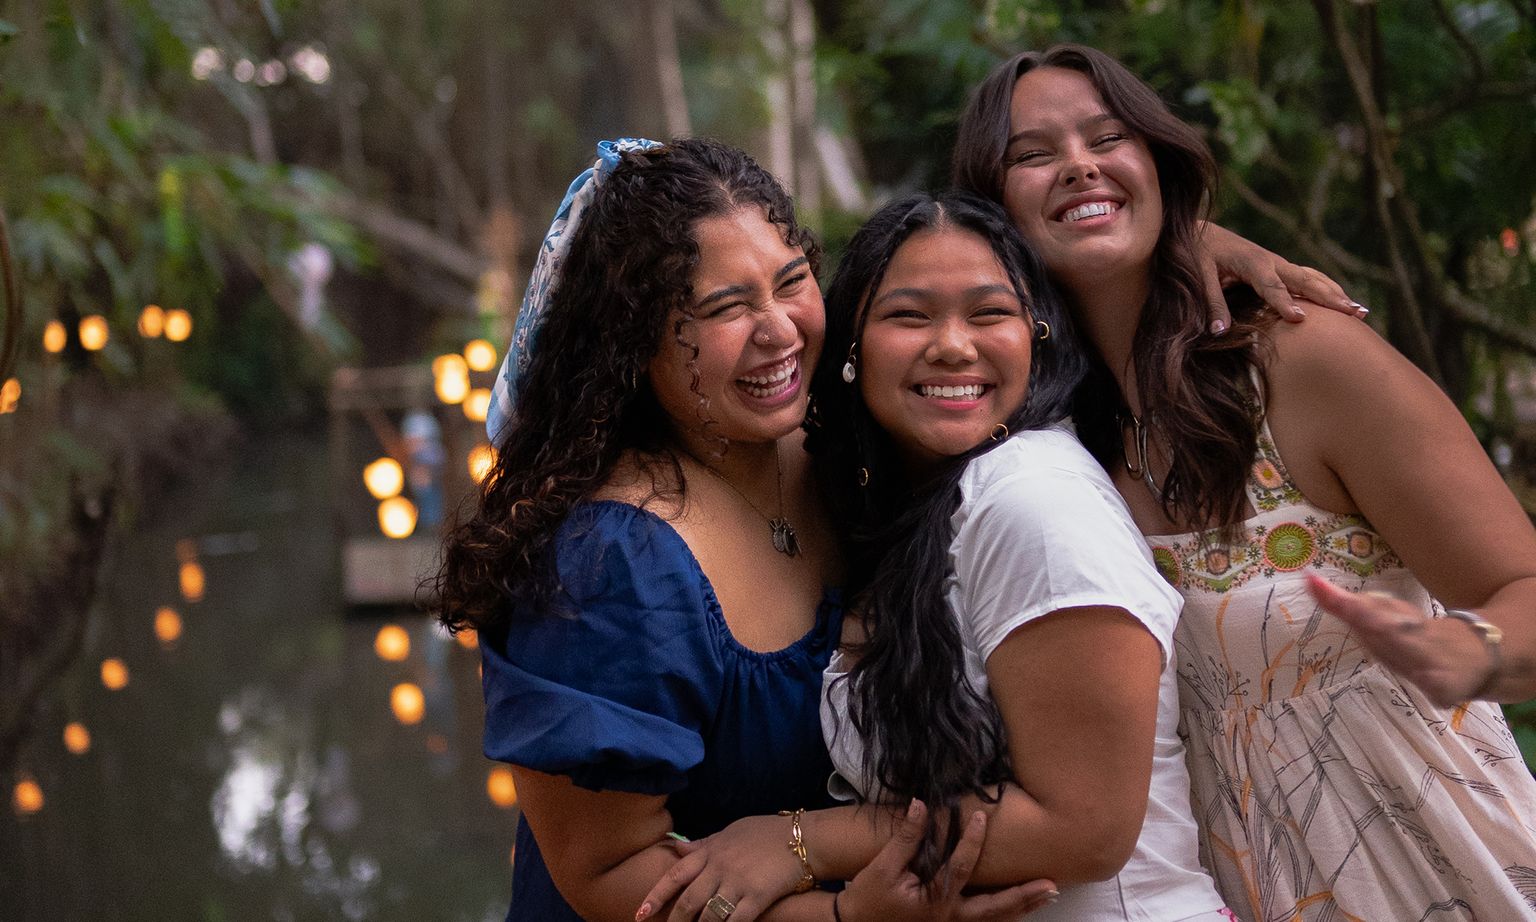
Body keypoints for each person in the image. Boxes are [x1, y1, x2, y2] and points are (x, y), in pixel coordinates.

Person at [952, 42, 1536, 920]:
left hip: (1441, 868)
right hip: (1236, 891)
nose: (1077, 164)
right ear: (990, 211)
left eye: (1107, 138)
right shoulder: (1050, 447)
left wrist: (1472, 651)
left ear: (1157, 164)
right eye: (1032, 154)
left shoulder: (1304, 364)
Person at [434, 138, 1052, 922]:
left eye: (792, 283)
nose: (780, 330)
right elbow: (609, 875)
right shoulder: (609, 566)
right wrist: (844, 918)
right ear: (634, 339)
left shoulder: (834, 442)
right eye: (726, 308)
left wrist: (1188, 238)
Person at [640, 190, 1237, 921]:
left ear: (1037, 335)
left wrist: (800, 842)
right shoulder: (907, 500)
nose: (954, 345)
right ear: (851, 346)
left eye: (989, 314)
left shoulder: (1034, 502)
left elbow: (1086, 828)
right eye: (909, 315)